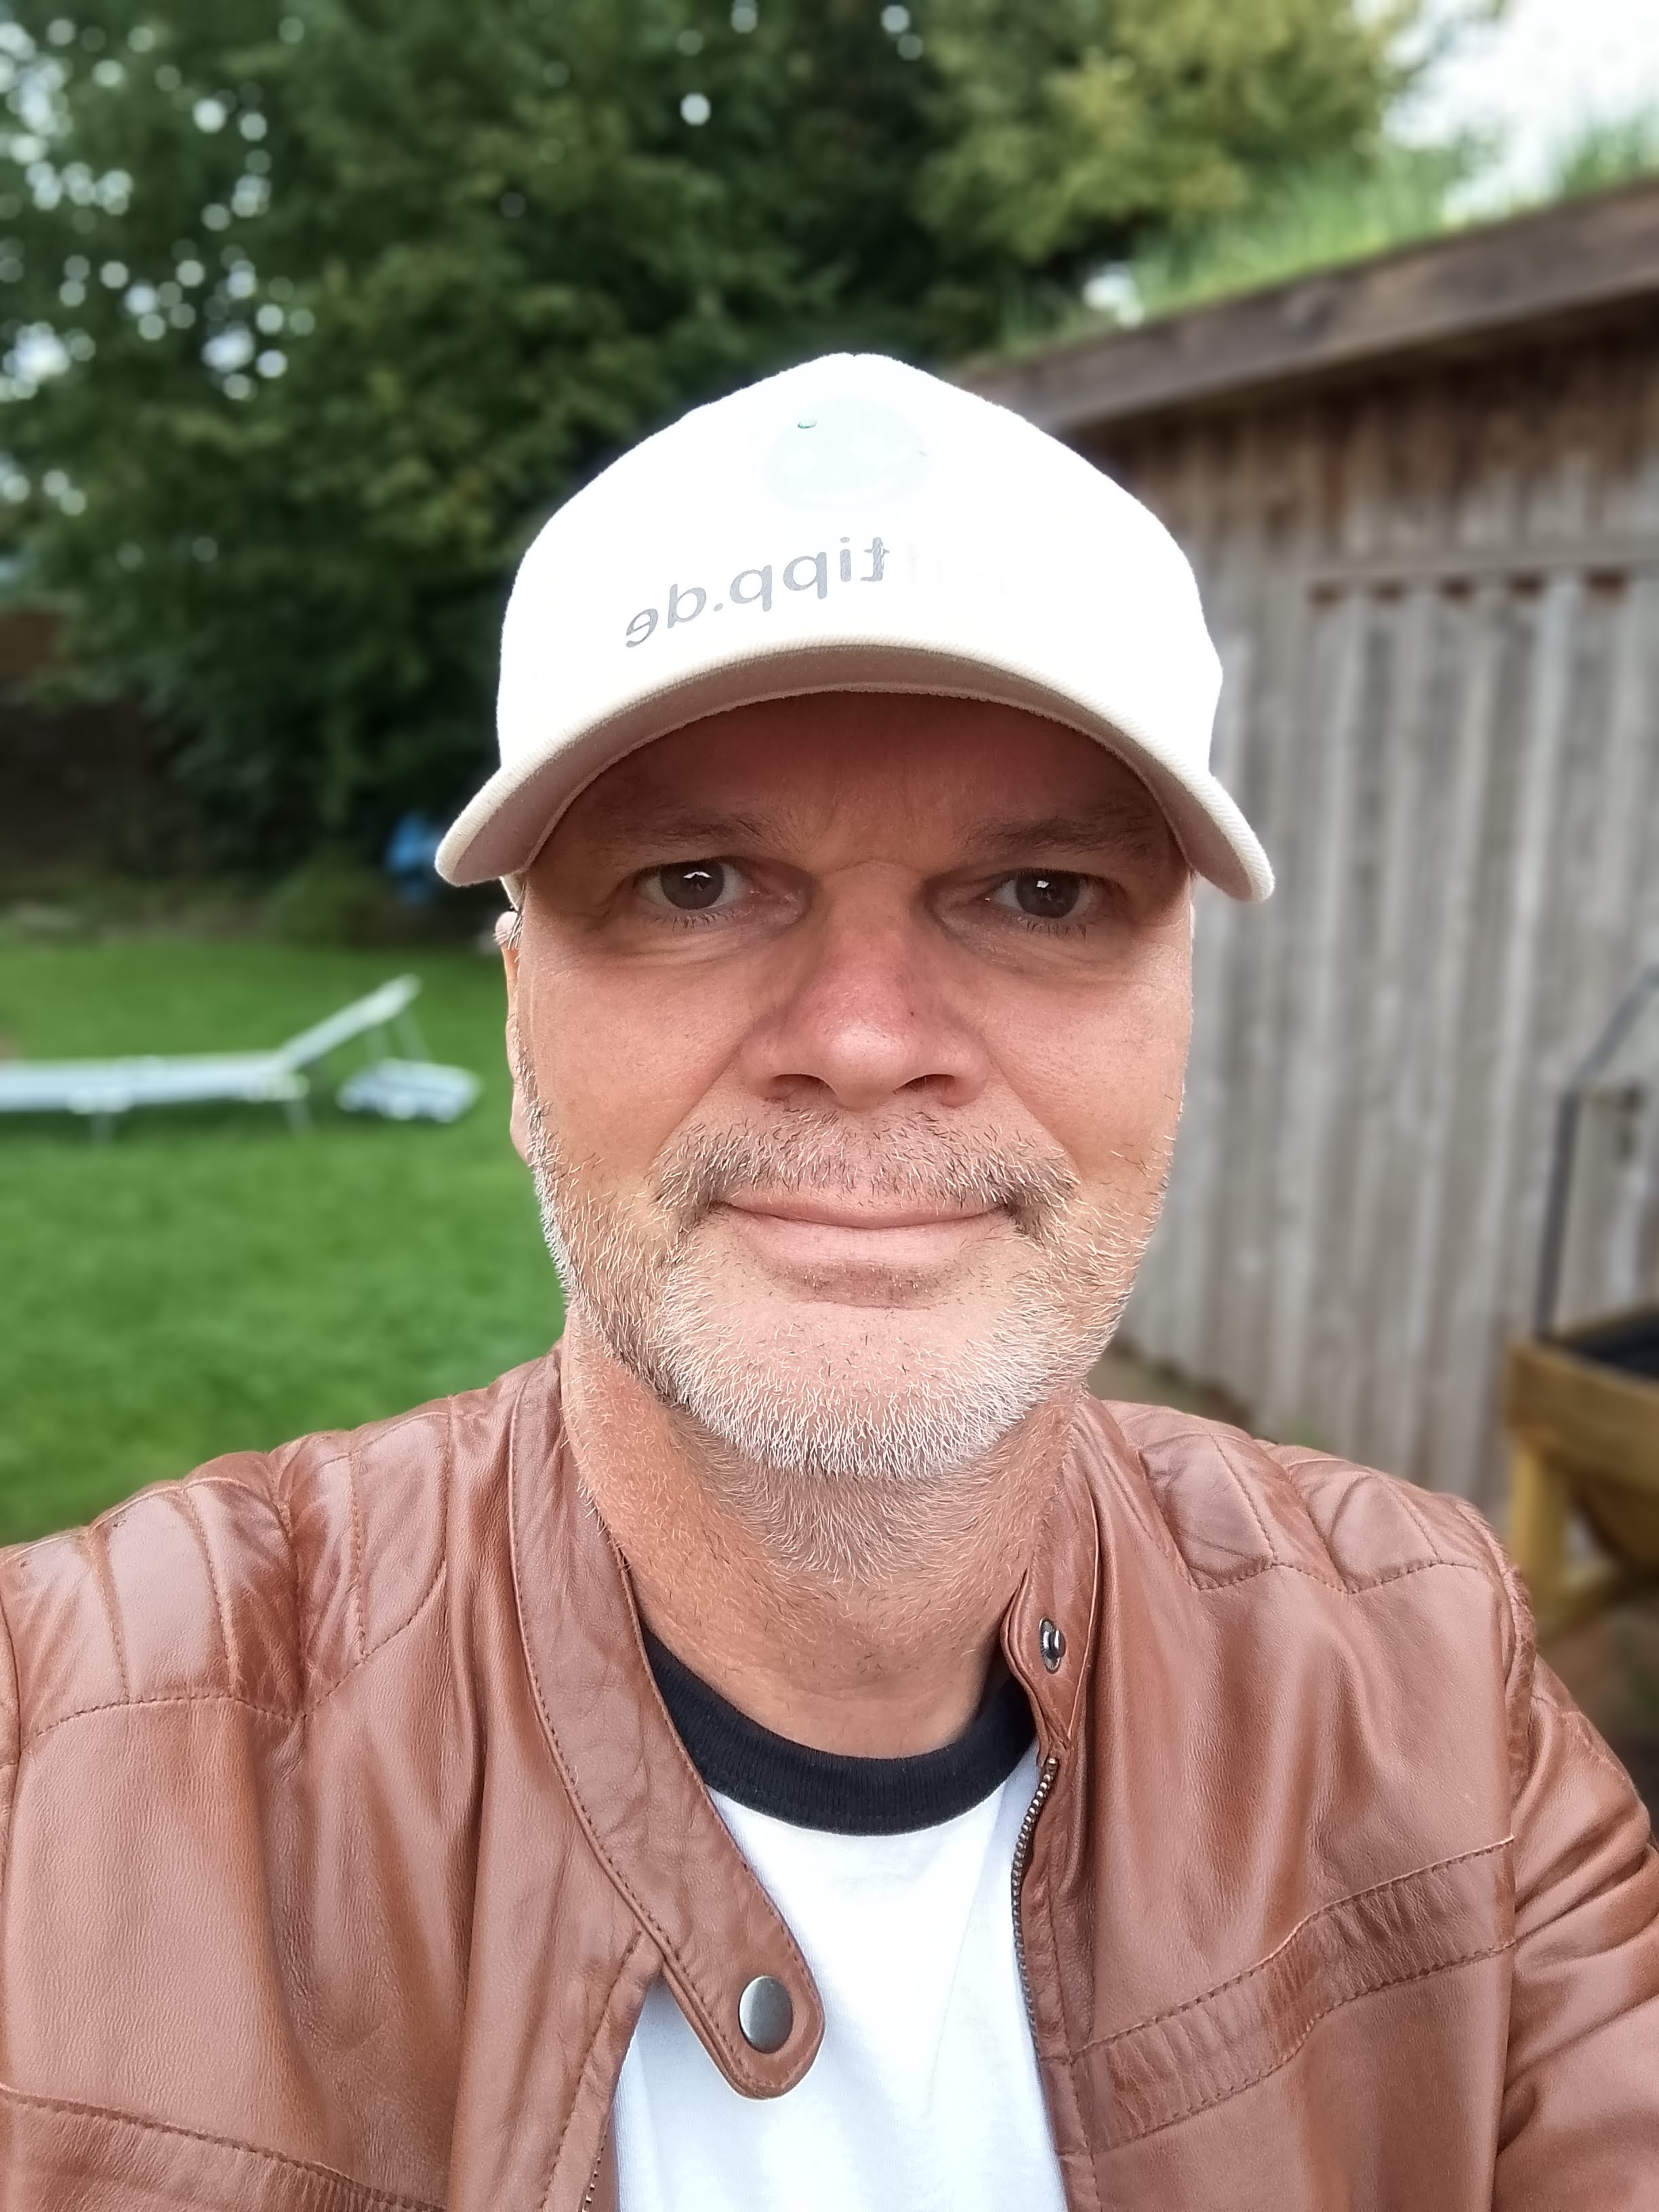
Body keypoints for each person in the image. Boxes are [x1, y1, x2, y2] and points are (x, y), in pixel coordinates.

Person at [1, 356, 1654, 2212]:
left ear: (1182, 1013)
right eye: (697, 884)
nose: (864, 1043)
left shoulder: (1432, 1691)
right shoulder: (68, 1766)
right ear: (522, 1016)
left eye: (1040, 895)